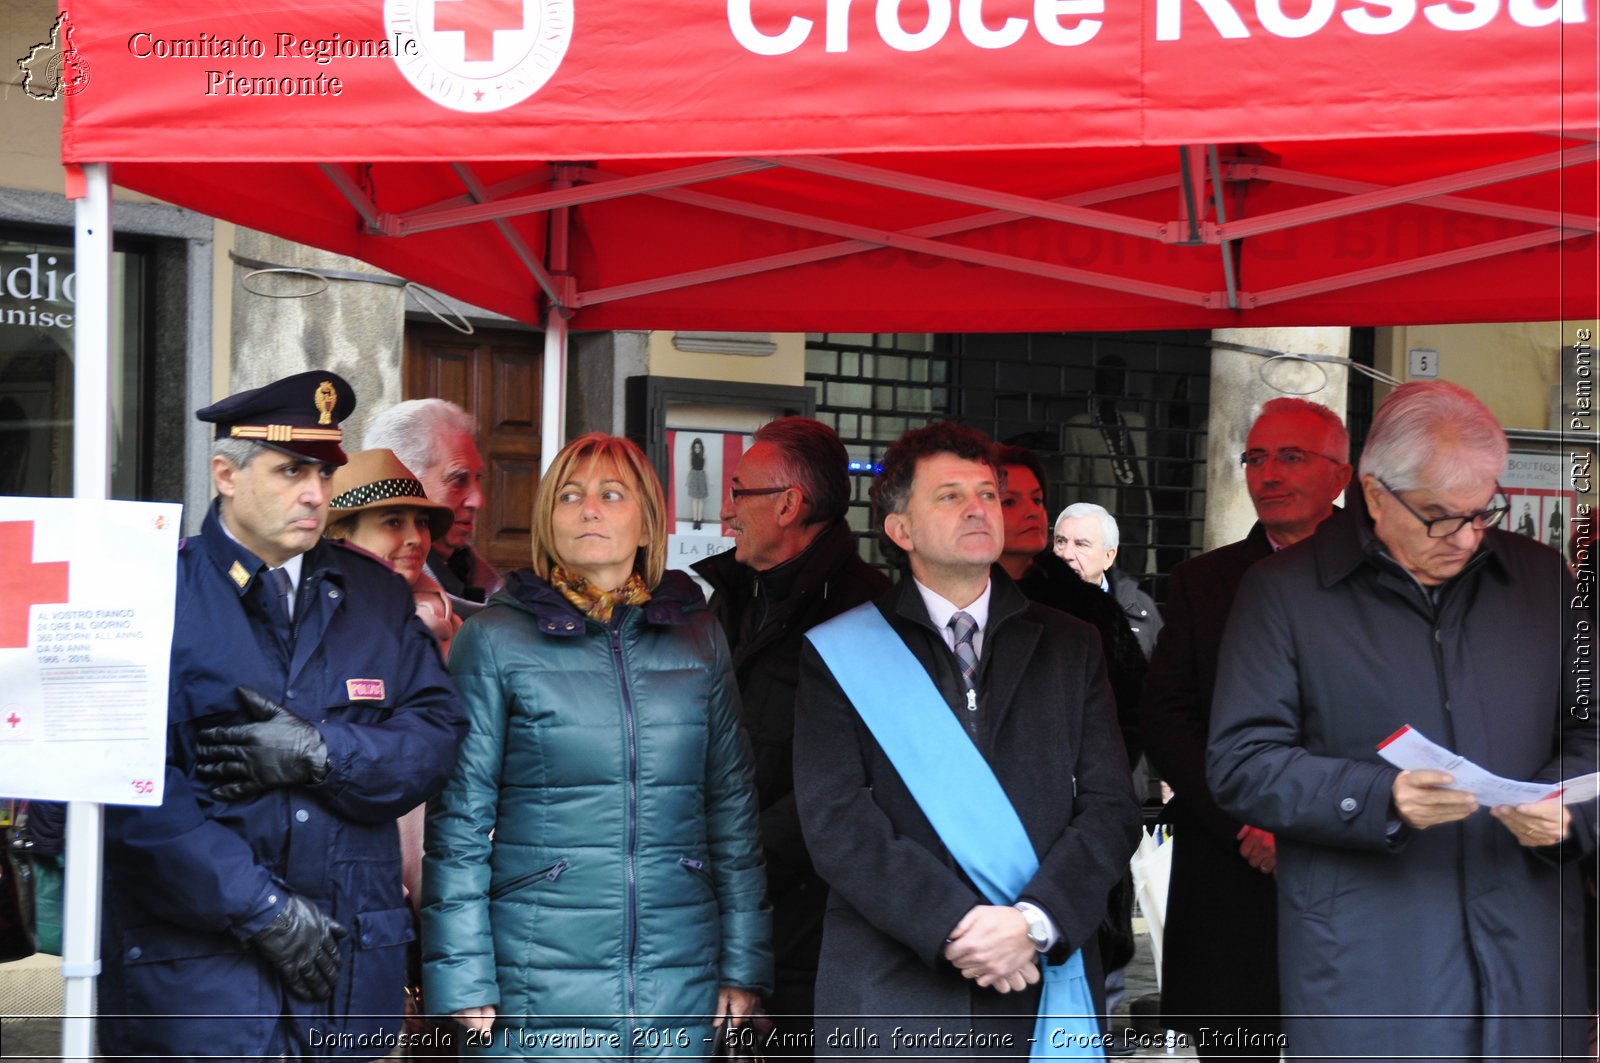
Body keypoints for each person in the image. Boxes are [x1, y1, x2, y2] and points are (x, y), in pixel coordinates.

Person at [1208, 381, 1596, 1061]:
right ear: (1375, 493)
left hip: (1528, 957)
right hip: (1369, 962)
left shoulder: (1540, 579)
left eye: (1483, 512)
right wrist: (1377, 797)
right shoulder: (1285, 592)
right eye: (1441, 516)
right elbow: (1240, 761)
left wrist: (1566, 807)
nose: (1468, 537)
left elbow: (1591, 730)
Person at [98, 371, 467, 1061]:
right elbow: (130, 784)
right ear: (225, 474)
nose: (315, 493)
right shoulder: (153, 590)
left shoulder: (377, 596)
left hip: (348, 971)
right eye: (291, 469)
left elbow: (436, 737)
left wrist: (325, 753)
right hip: (200, 979)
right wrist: (258, 907)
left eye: (324, 473)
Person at [793, 421, 1141, 1057]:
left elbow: (1111, 807)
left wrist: (1034, 922)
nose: (978, 508)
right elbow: (836, 820)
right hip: (894, 986)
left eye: (987, 493)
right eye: (949, 495)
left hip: (1038, 979)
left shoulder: (1070, 645)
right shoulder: (838, 652)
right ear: (900, 530)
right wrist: (955, 927)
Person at [422, 432, 772, 1055]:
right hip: (534, 972)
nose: (589, 509)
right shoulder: (496, 640)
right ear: (546, 520)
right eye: (570, 496)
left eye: (612, 495)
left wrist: (743, 962)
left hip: (679, 972)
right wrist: (462, 971)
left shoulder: (699, 639)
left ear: (647, 524)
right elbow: (459, 824)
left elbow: (732, 811)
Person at [1138, 397, 1351, 1059]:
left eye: (1291, 456)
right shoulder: (1204, 582)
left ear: (1342, 476)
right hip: (1233, 865)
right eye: (1256, 458)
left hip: (1356, 863)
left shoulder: (1389, 573)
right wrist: (1250, 821)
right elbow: (1168, 716)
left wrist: (1325, 820)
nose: (1268, 473)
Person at [692, 416, 890, 1056]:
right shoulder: (732, 598)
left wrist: (735, 861)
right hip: (722, 907)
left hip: (810, 927)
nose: (726, 512)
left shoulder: (866, 612)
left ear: (788, 504)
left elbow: (851, 783)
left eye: (738, 491)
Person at [996, 444, 1149, 1054]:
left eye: (1038, 498)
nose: (1033, 512)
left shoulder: (1088, 611)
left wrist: (1074, 783)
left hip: (1070, 853)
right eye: (1011, 499)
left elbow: (1133, 717)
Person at [364, 398, 500, 610]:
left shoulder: (485, 582)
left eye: (477, 478)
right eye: (458, 480)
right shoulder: (370, 605)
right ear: (404, 482)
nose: (478, 501)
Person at [1053, 502, 1162, 659]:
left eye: (1081, 544)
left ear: (1108, 557)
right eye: (1061, 541)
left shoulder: (1139, 607)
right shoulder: (1032, 602)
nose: (1067, 554)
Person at [686, 436, 710, 529]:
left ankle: (699, 520)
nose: (697, 449)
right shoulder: (691, 457)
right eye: (696, 447)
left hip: (701, 477)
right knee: (694, 500)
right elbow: (689, 469)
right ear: (693, 448)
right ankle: (695, 520)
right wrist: (687, 480)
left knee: (701, 500)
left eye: (699, 447)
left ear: (701, 448)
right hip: (693, 477)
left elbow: (705, 469)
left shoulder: (704, 457)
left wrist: (708, 481)